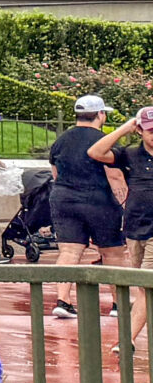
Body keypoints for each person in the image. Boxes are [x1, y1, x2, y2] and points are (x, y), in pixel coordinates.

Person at [46, 94, 127, 318]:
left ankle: (63, 300)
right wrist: (123, 203)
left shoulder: (61, 140)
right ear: (100, 114)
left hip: (63, 198)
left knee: (69, 251)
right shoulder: (102, 140)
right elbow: (115, 175)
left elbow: (55, 173)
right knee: (112, 252)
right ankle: (118, 304)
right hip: (98, 199)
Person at [87, 104, 153, 274]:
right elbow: (95, 152)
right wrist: (124, 129)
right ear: (140, 130)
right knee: (138, 280)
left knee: (146, 279)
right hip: (135, 225)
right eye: (151, 131)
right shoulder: (130, 154)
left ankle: (136, 302)